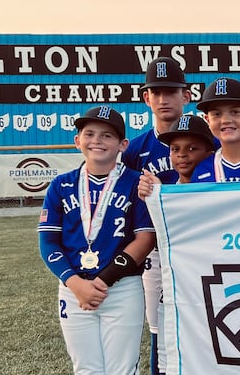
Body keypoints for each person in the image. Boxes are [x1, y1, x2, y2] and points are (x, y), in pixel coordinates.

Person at [37, 105, 155, 374]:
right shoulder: (61, 185)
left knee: (122, 369)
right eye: (89, 134)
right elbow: (48, 242)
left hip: (122, 287)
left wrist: (103, 280)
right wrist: (75, 282)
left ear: (123, 144)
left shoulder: (135, 182)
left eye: (107, 136)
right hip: (73, 288)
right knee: (86, 368)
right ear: (77, 140)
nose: (97, 141)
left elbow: (145, 239)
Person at [121, 56, 190, 375]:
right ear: (146, 97)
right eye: (156, 92)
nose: (164, 99)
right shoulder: (135, 150)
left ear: (186, 96)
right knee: (159, 326)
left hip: (195, 248)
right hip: (155, 252)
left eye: (171, 91)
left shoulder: (207, 141)